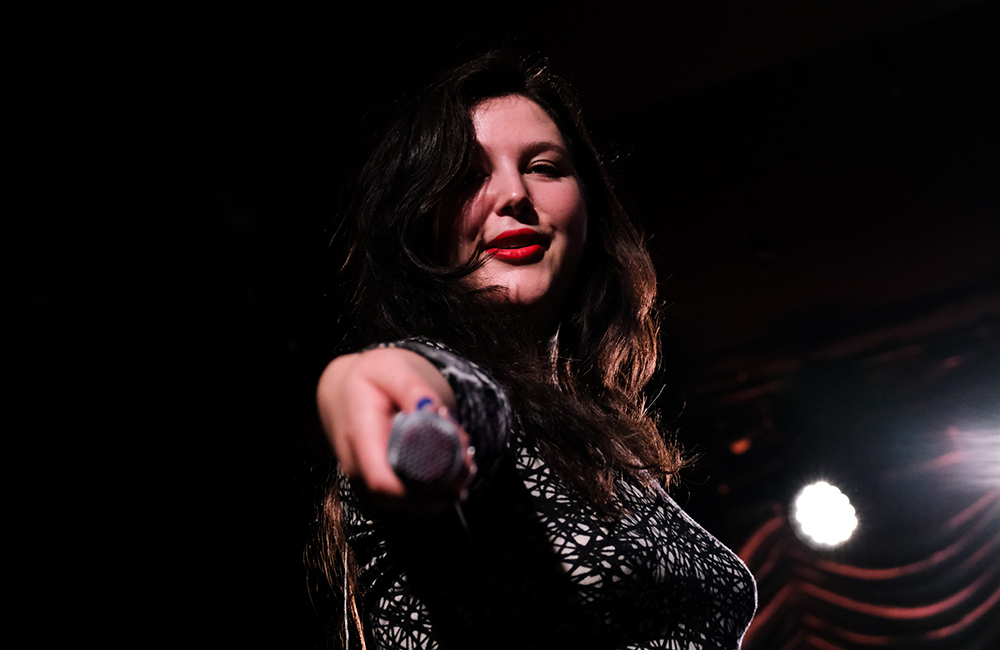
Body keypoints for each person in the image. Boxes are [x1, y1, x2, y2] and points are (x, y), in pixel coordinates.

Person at [311, 52, 756, 649]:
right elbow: (430, 383)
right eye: (469, 176)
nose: (514, 194)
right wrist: (375, 384)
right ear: (421, 221)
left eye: (545, 167)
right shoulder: (462, 406)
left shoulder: (603, 441)